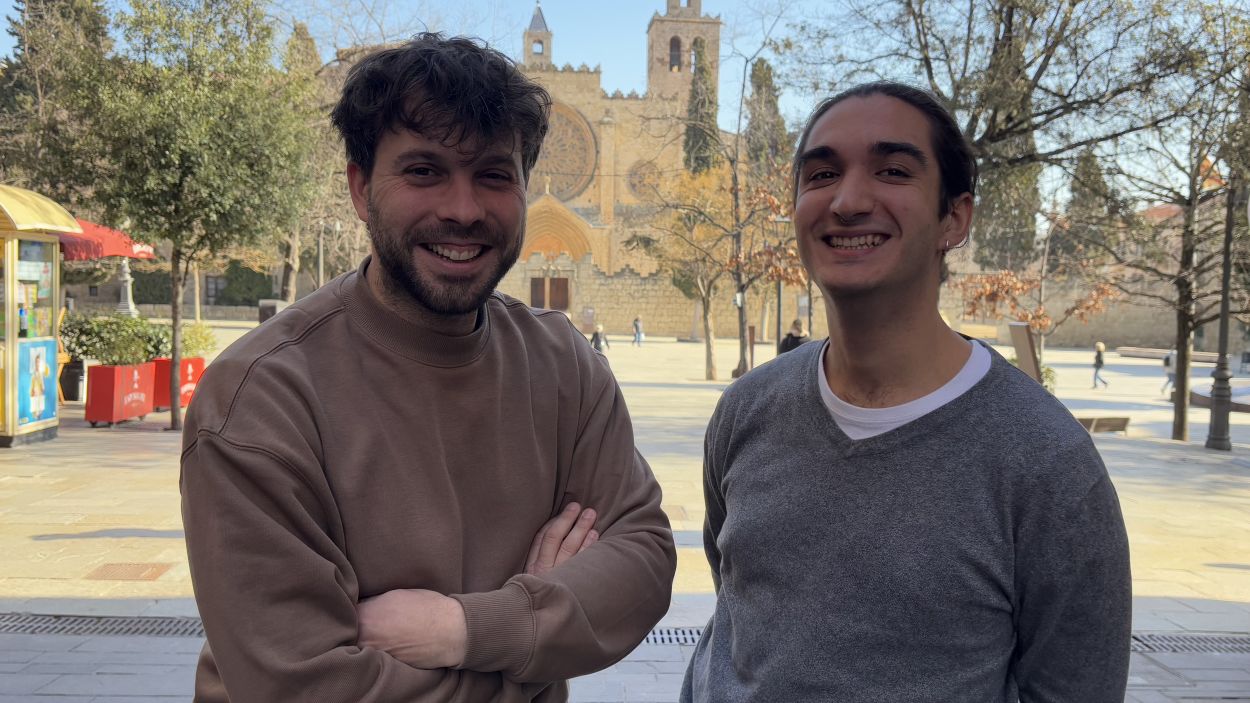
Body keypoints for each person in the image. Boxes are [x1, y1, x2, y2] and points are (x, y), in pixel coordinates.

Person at [181, 34, 676, 703]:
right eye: (424, 171)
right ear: (361, 188)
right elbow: (305, 687)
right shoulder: (260, 399)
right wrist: (535, 639)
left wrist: (464, 629)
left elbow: (641, 558)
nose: (463, 209)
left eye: (494, 175)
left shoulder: (565, 368)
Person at [681, 82, 1131, 702]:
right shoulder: (745, 412)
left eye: (892, 170)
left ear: (955, 217)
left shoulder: (1047, 462)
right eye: (820, 174)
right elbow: (737, 612)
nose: (846, 200)